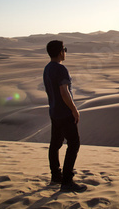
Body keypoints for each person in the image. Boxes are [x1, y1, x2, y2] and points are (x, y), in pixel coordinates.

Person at [43, 40, 86, 192]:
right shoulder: (61, 69)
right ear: (60, 52)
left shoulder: (47, 68)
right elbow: (64, 92)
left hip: (54, 112)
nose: (65, 52)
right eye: (64, 49)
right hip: (64, 113)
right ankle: (67, 181)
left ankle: (56, 175)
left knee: (55, 143)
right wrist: (74, 109)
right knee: (74, 144)